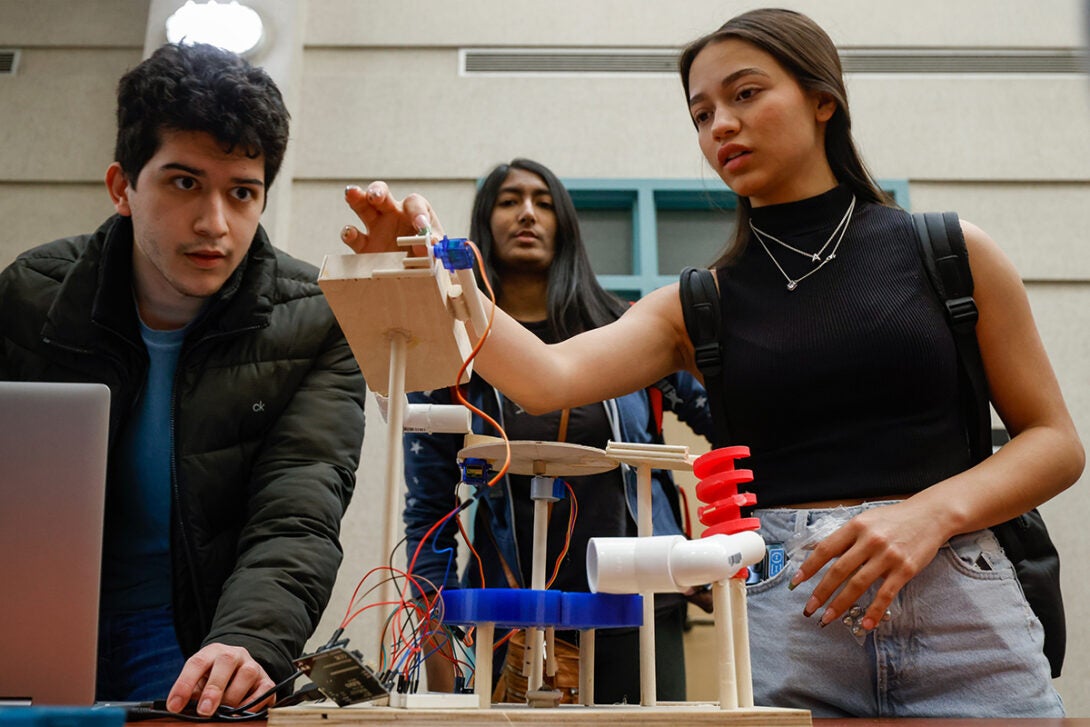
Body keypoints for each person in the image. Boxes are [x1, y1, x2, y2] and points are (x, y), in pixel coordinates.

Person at [341, 8, 1084, 718]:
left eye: (745, 94)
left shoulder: (951, 253)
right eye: (700, 114)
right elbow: (543, 375)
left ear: (823, 98)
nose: (719, 124)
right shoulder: (696, 304)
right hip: (791, 618)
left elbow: (1054, 442)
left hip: (962, 601)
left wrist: (929, 513)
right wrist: (431, 272)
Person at [0, 43, 367, 717]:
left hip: (192, 634)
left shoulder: (315, 321)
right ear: (122, 187)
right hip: (25, 619)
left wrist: (250, 639)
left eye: (242, 192)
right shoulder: (30, 297)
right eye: (185, 182)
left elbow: (297, 509)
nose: (214, 224)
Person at [400, 158, 713, 703]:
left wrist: (719, 552)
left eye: (544, 203)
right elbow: (429, 510)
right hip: (506, 611)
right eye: (509, 200)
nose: (527, 213)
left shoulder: (629, 331)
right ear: (484, 221)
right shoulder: (451, 351)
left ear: (565, 224)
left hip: (636, 602)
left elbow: (731, 422)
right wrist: (433, 635)